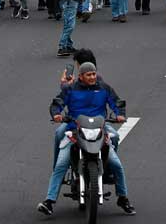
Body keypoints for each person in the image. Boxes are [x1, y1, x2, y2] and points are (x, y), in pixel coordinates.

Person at [40, 61, 135, 216]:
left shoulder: (103, 88)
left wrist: (120, 114)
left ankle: (122, 197)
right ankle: (49, 201)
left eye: (94, 74)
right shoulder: (70, 89)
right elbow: (57, 103)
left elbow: (116, 102)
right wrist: (56, 115)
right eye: (89, 74)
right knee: (60, 165)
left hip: (99, 132)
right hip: (75, 133)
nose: (92, 77)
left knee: (116, 164)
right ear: (81, 76)